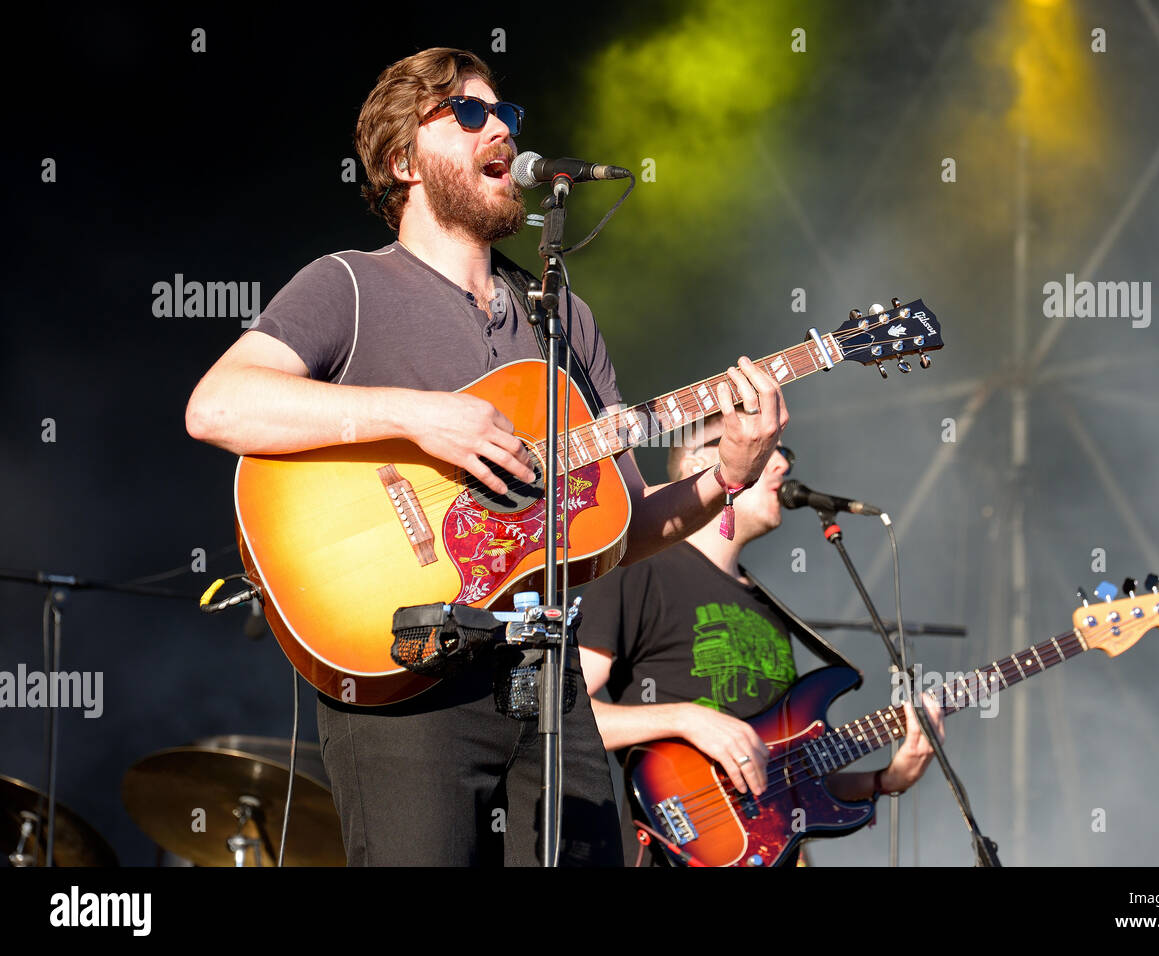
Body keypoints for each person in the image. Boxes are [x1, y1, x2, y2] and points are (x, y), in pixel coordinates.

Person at [184, 47, 788, 866]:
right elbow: (218, 406)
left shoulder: (560, 320)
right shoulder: (349, 286)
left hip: (548, 682)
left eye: (506, 113)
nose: (500, 124)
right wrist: (421, 419)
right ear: (402, 160)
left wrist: (728, 476)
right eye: (468, 113)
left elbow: (625, 527)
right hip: (407, 676)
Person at [577, 416, 944, 865]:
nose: (782, 467)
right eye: (767, 449)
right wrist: (688, 719)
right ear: (700, 462)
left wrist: (885, 780)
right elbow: (567, 713)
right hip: (674, 849)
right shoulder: (638, 568)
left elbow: (786, 783)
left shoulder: (768, 610)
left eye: (783, 453)